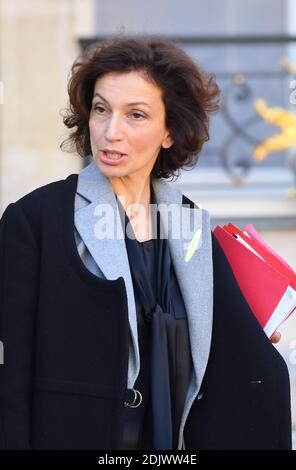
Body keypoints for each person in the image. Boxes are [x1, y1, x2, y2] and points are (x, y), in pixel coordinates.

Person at [0, 36, 291, 451]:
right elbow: (10, 380)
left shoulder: (192, 226)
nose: (110, 131)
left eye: (135, 115)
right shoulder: (35, 221)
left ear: (170, 130)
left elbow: (228, 364)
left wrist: (248, 347)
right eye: (101, 109)